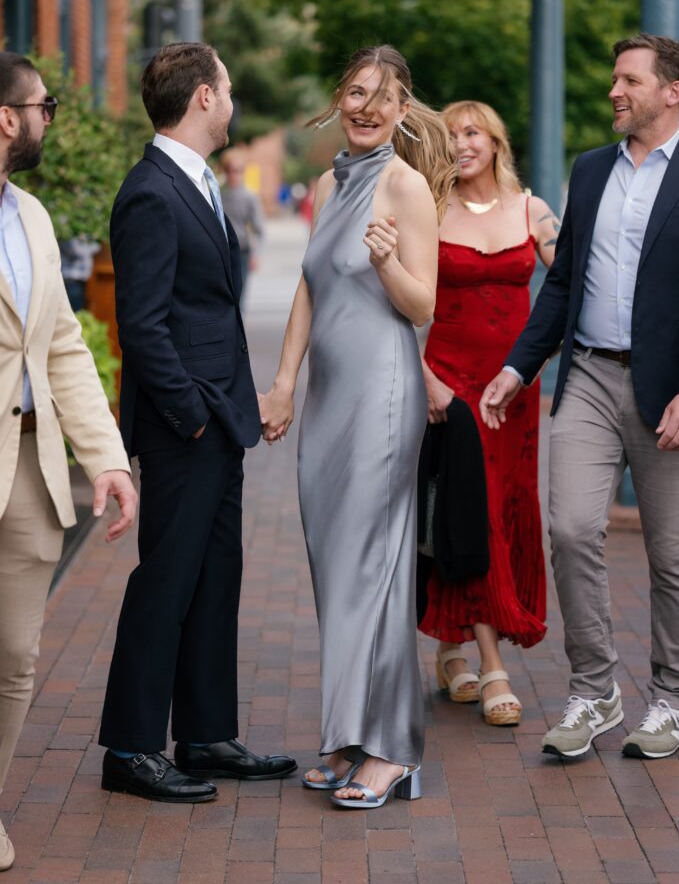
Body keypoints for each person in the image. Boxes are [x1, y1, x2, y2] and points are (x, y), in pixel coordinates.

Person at [98, 42, 297, 803]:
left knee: (215, 578)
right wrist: (190, 418)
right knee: (167, 581)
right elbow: (141, 327)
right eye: (229, 87)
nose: (233, 99)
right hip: (184, 426)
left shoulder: (197, 183)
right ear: (204, 97)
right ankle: (131, 749)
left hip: (217, 420)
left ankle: (207, 735)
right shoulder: (151, 192)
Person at [260, 45, 454, 809]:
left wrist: (384, 264)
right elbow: (308, 290)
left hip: (382, 395)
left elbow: (422, 305)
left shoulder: (405, 187)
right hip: (328, 400)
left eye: (381, 97)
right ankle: (347, 734)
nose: (365, 107)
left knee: (374, 567)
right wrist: (283, 383)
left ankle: (393, 749)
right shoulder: (325, 185)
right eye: (354, 92)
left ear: (402, 111)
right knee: (335, 568)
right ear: (338, 100)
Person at [481, 33, 679, 760]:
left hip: (669, 389)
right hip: (590, 375)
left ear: (672, 92)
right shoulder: (591, 169)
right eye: (613, 79)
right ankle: (595, 691)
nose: (614, 91)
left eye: (630, 80)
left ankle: (673, 699)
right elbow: (562, 282)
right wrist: (518, 366)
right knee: (569, 530)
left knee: (672, 556)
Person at [0, 52, 137, 870]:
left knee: (15, 657)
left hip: (32, 468)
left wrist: (107, 459)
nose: (49, 119)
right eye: (43, 106)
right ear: (7, 118)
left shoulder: (33, 218)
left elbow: (59, 349)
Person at [419, 101, 558, 726]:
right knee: (469, 512)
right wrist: (425, 382)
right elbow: (398, 306)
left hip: (514, 389)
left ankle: (451, 649)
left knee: (502, 507)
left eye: (472, 132)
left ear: (497, 142)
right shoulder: (428, 210)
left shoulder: (533, 211)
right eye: (451, 135)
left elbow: (571, 285)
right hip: (450, 389)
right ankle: (492, 664)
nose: (461, 144)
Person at [217, 149, 265, 294]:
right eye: (229, 170)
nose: (233, 175)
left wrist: (255, 255)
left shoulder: (249, 196)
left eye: (237, 170)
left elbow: (259, 229)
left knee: (239, 295)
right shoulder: (217, 194)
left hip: (241, 252)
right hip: (220, 253)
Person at [58, 237, 100, 311]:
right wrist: (91, 246)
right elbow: (76, 250)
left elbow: (97, 246)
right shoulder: (66, 233)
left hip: (81, 279)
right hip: (71, 279)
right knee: (74, 311)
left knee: (80, 309)